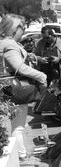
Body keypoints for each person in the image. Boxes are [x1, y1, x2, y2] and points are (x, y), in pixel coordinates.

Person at [0, 14, 47, 159]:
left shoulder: (5, 43)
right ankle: (21, 155)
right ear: (15, 28)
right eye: (23, 27)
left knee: (15, 126)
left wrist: (30, 56)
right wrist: (41, 76)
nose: (24, 30)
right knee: (18, 127)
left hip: (7, 89)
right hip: (15, 91)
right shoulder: (9, 45)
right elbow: (19, 67)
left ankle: (19, 154)